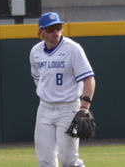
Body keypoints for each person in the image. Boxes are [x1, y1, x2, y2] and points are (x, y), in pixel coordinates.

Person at [30, 12, 96, 167]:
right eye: (51, 28)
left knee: (69, 161)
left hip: (68, 108)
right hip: (45, 109)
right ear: (41, 32)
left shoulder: (73, 49)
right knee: (45, 161)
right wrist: (47, 94)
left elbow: (89, 79)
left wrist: (84, 108)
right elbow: (38, 79)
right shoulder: (35, 51)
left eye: (58, 27)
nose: (55, 31)